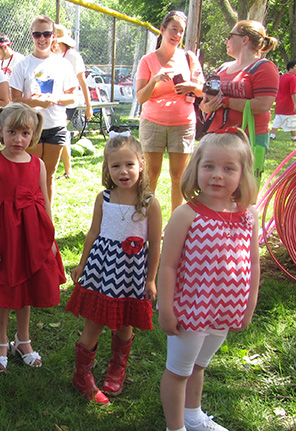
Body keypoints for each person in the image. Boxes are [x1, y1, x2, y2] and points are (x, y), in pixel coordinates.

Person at [158, 129, 260, 431]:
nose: (217, 175)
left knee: (199, 366)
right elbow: (168, 266)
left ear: (242, 175)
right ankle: (175, 427)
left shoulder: (247, 217)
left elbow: (253, 264)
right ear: (196, 168)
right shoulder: (187, 215)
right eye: (209, 166)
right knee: (178, 371)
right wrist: (166, 309)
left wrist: (248, 306)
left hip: (224, 311)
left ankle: (193, 416)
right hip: (190, 311)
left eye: (228, 168)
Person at [66, 135, 162, 404]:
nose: (123, 171)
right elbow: (93, 232)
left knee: (125, 322)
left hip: (132, 273)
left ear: (141, 164)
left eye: (129, 164)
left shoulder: (149, 204)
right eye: (115, 166)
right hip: (102, 269)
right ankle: (82, 374)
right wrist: (81, 264)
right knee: (94, 321)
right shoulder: (104, 198)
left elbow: (155, 245)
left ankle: (117, 367)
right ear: (106, 168)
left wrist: (151, 280)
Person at [0, 103, 66, 372]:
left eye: (25, 133)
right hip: (5, 235)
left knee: (26, 289)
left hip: (31, 235)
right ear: (0, 132)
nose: (18, 139)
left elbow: (45, 201)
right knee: (7, 288)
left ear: (33, 134)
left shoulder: (37, 164)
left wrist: (50, 238)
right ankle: (1, 341)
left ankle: (23, 339)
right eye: (12, 132)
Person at [136, 10, 203, 212]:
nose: (177, 35)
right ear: (163, 30)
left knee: (178, 175)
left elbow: (202, 91)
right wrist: (155, 79)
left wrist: (191, 85)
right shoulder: (148, 60)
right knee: (151, 173)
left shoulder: (188, 58)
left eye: (181, 31)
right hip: (153, 122)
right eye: (174, 29)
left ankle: (176, 221)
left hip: (182, 124)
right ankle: (146, 217)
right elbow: (141, 97)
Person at [200, 20, 278, 185]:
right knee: (216, 185)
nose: (226, 41)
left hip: (248, 138)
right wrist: (208, 106)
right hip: (217, 137)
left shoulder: (263, 67)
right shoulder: (223, 68)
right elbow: (205, 104)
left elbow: (262, 105)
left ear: (245, 40)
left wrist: (226, 101)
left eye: (230, 36)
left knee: (241, 188)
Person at [10, 15, 77, 204]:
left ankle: (46, 216)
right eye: (37, 34)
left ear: (53, 36)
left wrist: (54, 98)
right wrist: (35, 102)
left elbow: (72, 96)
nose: (42, 39)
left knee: (49, 174)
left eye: (46, 34)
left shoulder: (62, 64)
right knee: (30, 174)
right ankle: (28, 214)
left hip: (56, 125)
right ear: (31, 36)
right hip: (31, 127)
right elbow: (15, 99)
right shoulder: (22, 65)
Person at [53, 24, 92, 180]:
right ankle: (67, 170)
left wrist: (89, 105)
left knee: (60, 132)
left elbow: (82, 81)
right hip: (54, 103)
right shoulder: (51, 55)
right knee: (61, 134)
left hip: (69, 102)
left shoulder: (73, 56)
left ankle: (67, 170)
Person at [270, 60, 296, 142]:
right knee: (292, 120)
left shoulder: (282, 77)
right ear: (291, 68)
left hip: (280, 103)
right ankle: (294, 137)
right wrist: (295, 104)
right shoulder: (293, 78)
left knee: (277, 120)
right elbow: (293, 92)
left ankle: (272, 135)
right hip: (288, 103)